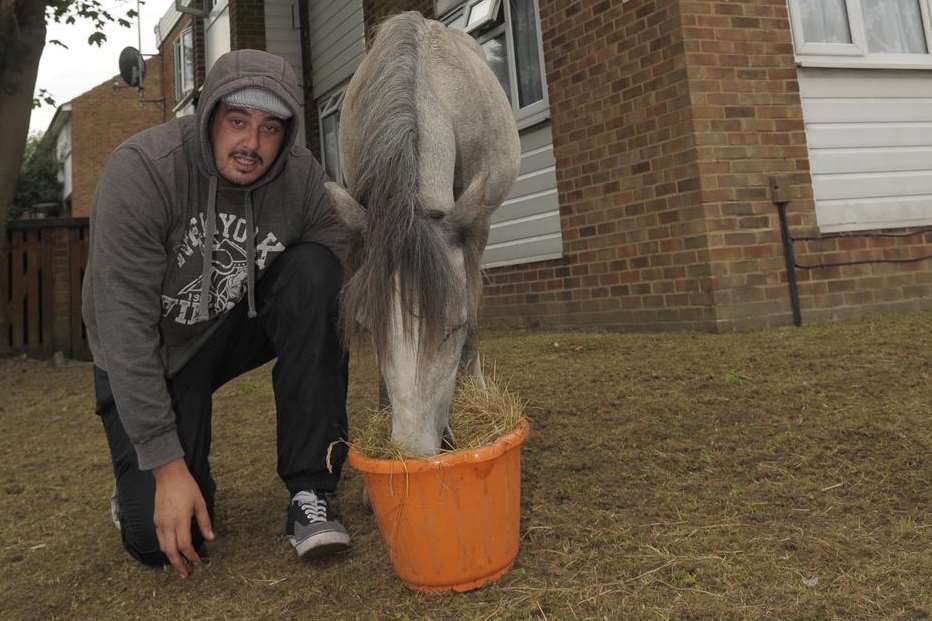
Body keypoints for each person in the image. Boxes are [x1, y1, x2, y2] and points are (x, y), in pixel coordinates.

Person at [82, 49, 352, 579]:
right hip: (153, 352)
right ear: (209, 115)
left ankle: (309, 492)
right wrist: (165, 465)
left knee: (316, 274)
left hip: (227, 324)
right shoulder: (143, 172)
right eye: (237, 121)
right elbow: (125, 332)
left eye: (270, 128)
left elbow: (339, 258)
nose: (251, 143)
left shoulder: (298, 180)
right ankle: (141, 488)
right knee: (160, 543)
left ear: (288, 133)